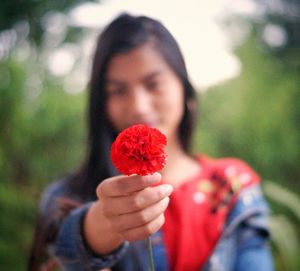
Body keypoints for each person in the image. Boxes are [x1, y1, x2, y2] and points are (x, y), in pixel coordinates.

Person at [28, 13, 274, 271]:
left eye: (153, 84)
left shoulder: (231, 186)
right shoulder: (66, 195)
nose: (139, 107)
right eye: (118, 90)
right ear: (101, 104)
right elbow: (59, 253)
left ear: (185, 90)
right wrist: (98, 227)